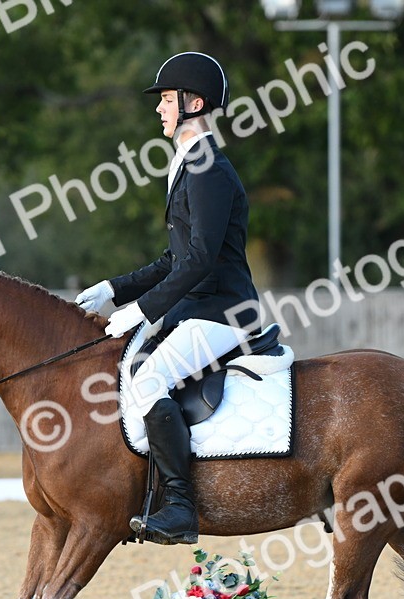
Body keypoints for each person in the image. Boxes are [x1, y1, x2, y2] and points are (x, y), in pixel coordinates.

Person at [75, 52, 260, 546]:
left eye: (165, 99)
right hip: (194, 306)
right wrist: (115, 290)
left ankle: (180, 507)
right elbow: (173, 259)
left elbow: (199, 261)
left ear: (193, 102)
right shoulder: (187, 164)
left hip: (224, 311)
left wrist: (140, 311)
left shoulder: (208, 168)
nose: (158, 109)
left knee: (150, 378)